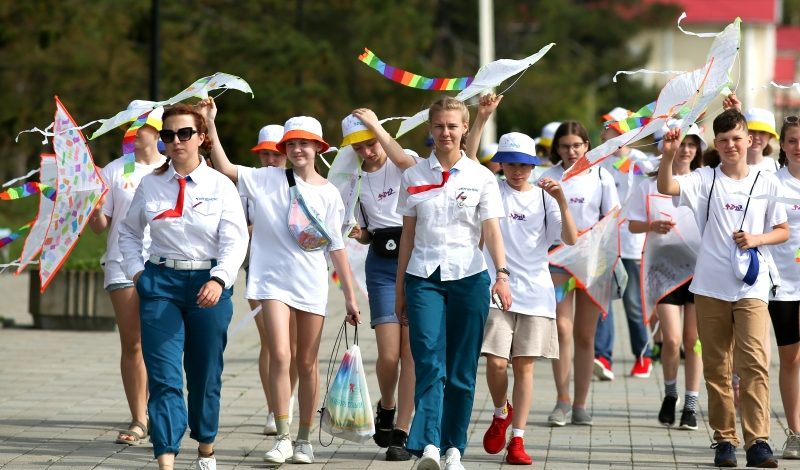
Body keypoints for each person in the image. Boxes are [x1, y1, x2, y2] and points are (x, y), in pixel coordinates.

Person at [202, 99, 361, 465]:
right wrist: (210, 124)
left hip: (311, 283)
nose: (297, 149)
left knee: (307, 362)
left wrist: (350, 297)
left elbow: (336, 247)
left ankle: (305, 439)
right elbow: (225, 167)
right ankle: (283, 437)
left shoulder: (329, 193)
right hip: (270, 281)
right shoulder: (266, 178)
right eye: (291, 144)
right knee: (280, 354)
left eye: (304, 143)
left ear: (318, 147)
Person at [118, 103, 249, 470]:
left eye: (185, 133)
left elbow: (235, 240)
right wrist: (137, 273)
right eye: (168, 135)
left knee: (205, 374)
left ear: (201, 137)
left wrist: (220, 278)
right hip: (160, 284)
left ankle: (205, 446)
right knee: (164, 376)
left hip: (209, 284)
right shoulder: (150, 184)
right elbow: (128, 232)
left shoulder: (220, 185)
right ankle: (166, 458)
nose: (176, 141)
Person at [657, 109, 788, 468]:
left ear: (749, 140)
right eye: (724, 140)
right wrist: (668, 156)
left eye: (737, 138)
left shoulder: (766, 181)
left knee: (754, 363)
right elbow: (667, 187)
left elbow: (782, 230)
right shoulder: (705, 179)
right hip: (710, 286)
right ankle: (725, 440)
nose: (731, 145)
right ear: (716, 143)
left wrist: (757, 239)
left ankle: (758, 441)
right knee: (717, 366)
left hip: (751, 286)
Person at [395, 96, 511, 470]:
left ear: (464, 129)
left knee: (461, 371)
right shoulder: (414, 176)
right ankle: (428, 445)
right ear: (430, 129)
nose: (445, 132)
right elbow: (407, 237)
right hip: (423, 278)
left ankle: (453, 449)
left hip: (469, 278)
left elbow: (491, 230)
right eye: (439, 126)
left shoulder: (481, 177)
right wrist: (400, 290)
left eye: (452, 126)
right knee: (429, 361)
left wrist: (502, 275)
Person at [479, 132, 577, 465]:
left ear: (533, 166)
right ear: (501, 164)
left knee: (524, 366)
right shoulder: (492, 191)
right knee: (495, 362)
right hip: (496, 288)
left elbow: (571, 238)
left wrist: (562, 200)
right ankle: (500, 411)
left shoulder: (545, 197)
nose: (517, 171)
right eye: (510, 164)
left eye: (524, 165)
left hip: (536, 293)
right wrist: (482, 119)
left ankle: (517, 439)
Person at [341, 108, 417, 461]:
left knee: (411, 352)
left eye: (371, 143)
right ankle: (387, 404)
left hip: (415, 260)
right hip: (383, 265)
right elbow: (368, 232)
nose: (368, 152)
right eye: (359, 147)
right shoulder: (354, 178)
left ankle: (402, 429)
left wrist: (377, 127)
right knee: (389, 354)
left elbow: (405, 163)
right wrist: (359, 233)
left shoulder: (403, 160)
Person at [89, 101, 165, 446]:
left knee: (162, 343)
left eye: (140, 126)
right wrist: (92, 208)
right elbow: (99, 226)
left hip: (164, 262)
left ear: (156, 129)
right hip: (121, 261)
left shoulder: (170, 167)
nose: (133, 133)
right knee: (133, 342)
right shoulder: (114, 170)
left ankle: (162, 410)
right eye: (128, 126)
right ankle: (139, 418)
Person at [628, 122, 706, 430]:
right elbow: (632, 223)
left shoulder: (704, 180)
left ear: (698, 149)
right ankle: (671, 393)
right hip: (662, 270)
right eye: (681, 143)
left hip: (700, 270)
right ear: (665, 146)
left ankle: (691, 404)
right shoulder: (647, 186)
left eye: (692, 144)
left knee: (693, 340)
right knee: (672, 340)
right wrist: (652, 226)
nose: (686, 150)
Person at [542, 121, 619, 427]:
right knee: (562, 329)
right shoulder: (546, 177)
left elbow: (613, 219)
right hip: (557, 260)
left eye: (577, 145)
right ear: (556, 148)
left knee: (585, 335)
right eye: (565, 146)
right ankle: (562, 400)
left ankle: (580, 404)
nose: (571, 151)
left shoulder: (601, 176)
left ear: (587, 146)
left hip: (592, 263)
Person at [245, 125, 299, 436]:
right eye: (264, 153)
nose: (270, 159)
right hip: (259, 268)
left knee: (294, 344)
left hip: (296, 269)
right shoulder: (250, 182)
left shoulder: (300, 180)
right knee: (270, 340)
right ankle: (272, 408)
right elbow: (237, 226)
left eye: (275, 154)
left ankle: (287, 399)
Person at [594, 107, 652, 381]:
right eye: (608, 127)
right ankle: (602, 356)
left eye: (616, 128)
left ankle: (643, 356)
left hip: (632, 243)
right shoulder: (599, 161)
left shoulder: (642, 161)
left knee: (633, 303)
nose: (610, 132)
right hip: (603, 242)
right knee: (602, 301)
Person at [769, 116, 800, 459]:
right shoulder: (773, 183)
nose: (798, 147)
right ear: (782, 144)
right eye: (792, 140)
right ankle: (795, 433)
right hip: (783, 284)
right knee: (790, 359)